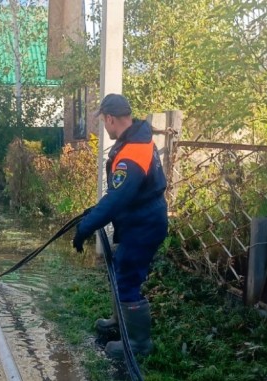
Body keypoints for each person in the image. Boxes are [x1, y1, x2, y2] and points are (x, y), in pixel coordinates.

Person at [72, 93, 169, 360]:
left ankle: (138, 344)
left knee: (126, 278)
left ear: (111, 118)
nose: (104, 126)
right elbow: (120, 195)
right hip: (142, 218)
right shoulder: (135, 139)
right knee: (119, 270)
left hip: (144, 224)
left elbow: (117, 198)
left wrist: (86, 227)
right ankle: (120, 322)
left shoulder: (132, 153)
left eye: (103, 121)